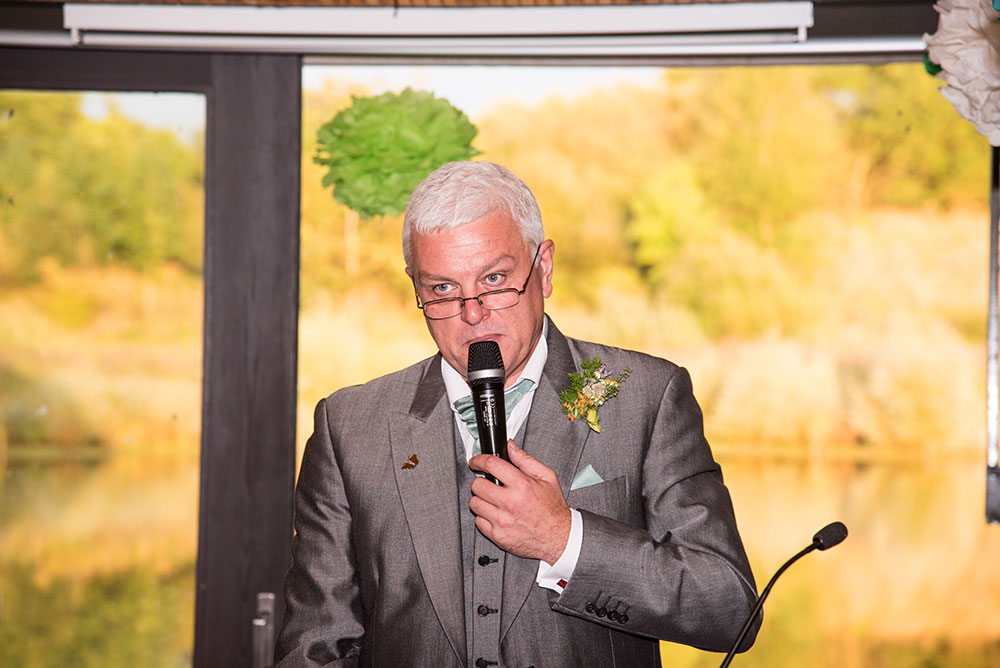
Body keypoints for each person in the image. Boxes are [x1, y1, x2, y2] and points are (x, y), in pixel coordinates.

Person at [275, 161, 759, 668]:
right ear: (415, 286)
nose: (473, 313)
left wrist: (563, 538)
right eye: (442, 289)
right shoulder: (349, 426)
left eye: (495, 279)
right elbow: (317, 647)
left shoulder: (647, 397)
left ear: (543, 268)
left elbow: (730, 608)